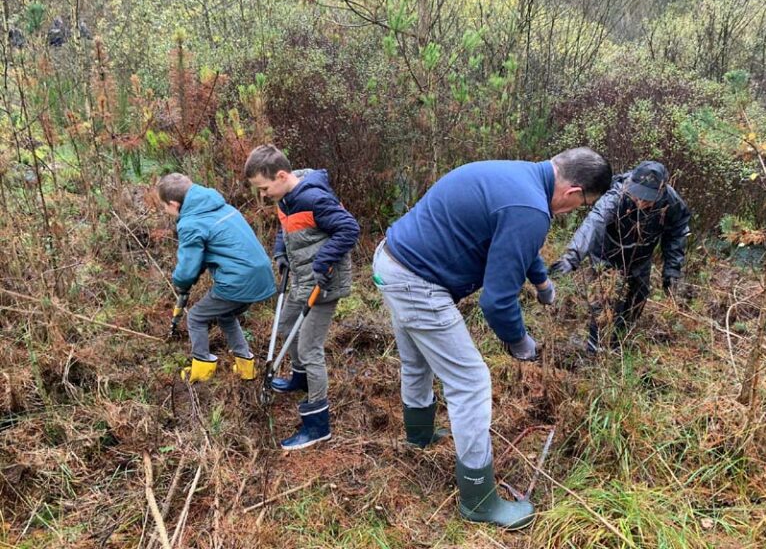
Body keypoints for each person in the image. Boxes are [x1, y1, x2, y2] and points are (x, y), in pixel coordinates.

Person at [371, 148, 612, 529]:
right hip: (417, 282)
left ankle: (418, 434)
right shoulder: (530, 208)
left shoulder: (520, 176)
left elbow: (513, 240)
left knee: (416, 358)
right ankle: (479, 500)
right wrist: (521, 343)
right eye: (584, 204)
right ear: (573, 191)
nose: (575, 211)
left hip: (391, 260)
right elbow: (497, 302)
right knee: (471, 382)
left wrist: (542, 282)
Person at [245, 145, 360, 451]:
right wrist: (281, 250)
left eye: (265, 188)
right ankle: (301, 379)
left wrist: (324, 262)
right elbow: (285, 225)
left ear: (282, 175)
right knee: (285, 326)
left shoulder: (314, 199)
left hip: (323, 284)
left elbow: (349, 229)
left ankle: (318, 424)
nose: (263, 195)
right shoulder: (286, 196)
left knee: (310, 347)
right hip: (300, 277)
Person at [549, 160, 691, 352]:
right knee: (603, 303)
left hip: (641, 258)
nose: (640, 202)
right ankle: (595, 349)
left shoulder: (671, 202)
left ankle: (618, 344)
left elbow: (677, 233)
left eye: (647, 198)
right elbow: (595, 221)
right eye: (638, 196)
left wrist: (671, 271)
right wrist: (572, 257)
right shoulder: (617, 194)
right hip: (605, 256)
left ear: (661, 190)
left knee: (636, 301)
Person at [157, 173, 276, 382]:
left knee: (195, 317)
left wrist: (181, 283)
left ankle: (202, 372)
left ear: (174, 204)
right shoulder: (221, 207)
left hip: (238, 281)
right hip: (262, 275)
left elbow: (187, 268)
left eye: (164, 207)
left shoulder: (190, 223)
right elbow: (208, 253)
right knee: (226, 315)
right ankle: (246, 367)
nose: (165, 211)